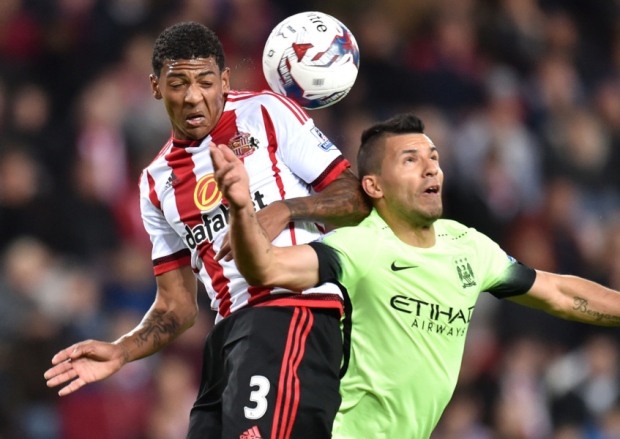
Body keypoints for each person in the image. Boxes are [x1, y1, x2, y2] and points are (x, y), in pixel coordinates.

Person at [44, 21, 369, 439]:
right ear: (156, 87)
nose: (193, 96)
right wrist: (122, 350)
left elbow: (356, 198)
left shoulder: (265, 113)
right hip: (227, 336)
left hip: (291, 311)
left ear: (225, 80)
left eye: (205, 81)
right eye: (177, 82)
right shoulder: (156, 182)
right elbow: (176, 307)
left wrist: (284, 210)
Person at [210, 112, 620, 438]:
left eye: (434, 159)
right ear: (373, 185)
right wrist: (243, 209)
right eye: (411, 160)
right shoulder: (360, 247)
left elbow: (559, 292)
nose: (431, 170)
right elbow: (265, 267)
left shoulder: (469, 247)